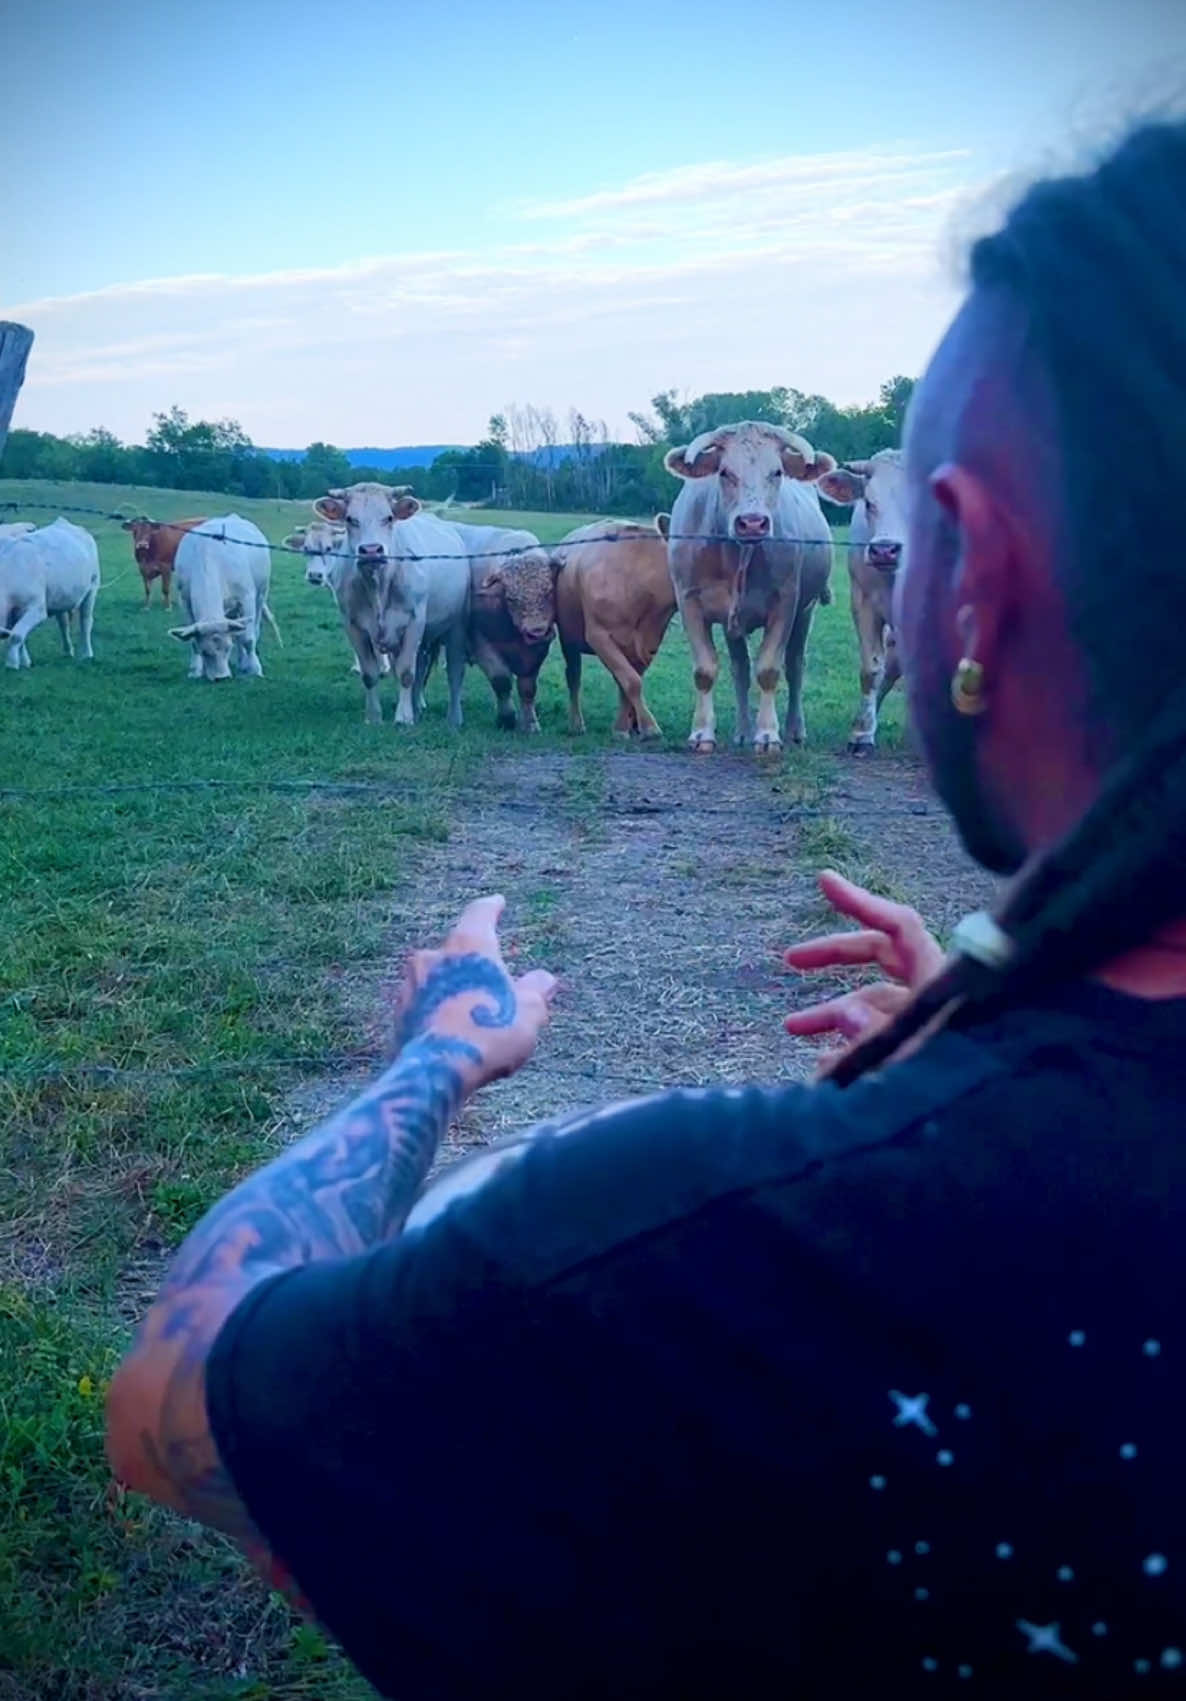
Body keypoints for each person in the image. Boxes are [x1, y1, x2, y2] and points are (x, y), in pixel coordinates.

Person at [108, 118, 1186, 1697]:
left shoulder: (700, 1228)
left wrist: (437, 1057)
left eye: (917, 538)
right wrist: (1021, 1041)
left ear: (981, 582)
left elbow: (167, 1404)